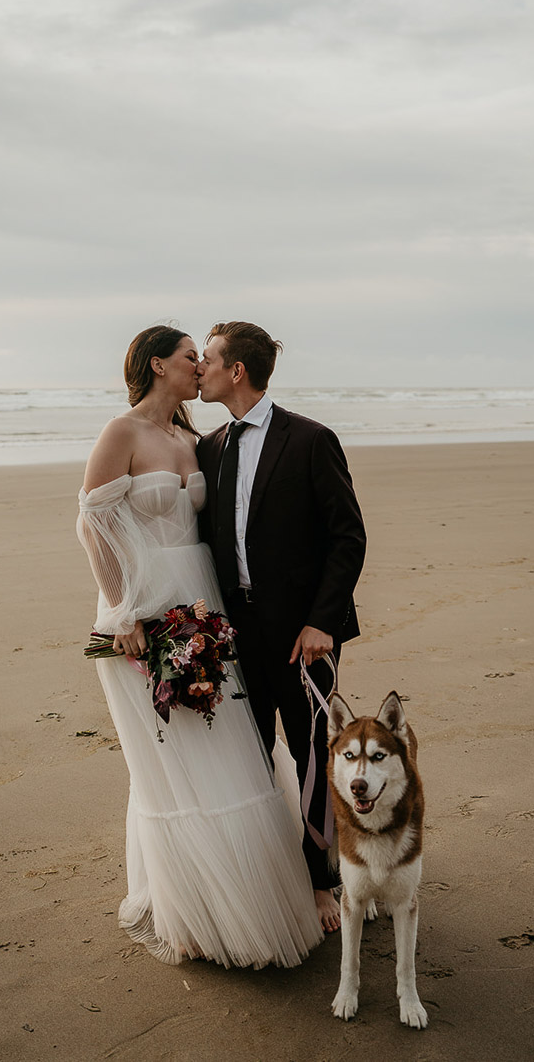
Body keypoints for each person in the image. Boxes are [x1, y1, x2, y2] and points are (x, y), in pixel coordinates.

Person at [76, 325, 322, 968]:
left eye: (205, 359)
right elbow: (92, 525)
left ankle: (251, 895)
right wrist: (125, 612)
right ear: (158, 364)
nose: (200, 367)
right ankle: (192, 912)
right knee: (171, 763)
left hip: (206, 608)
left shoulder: (198, 439)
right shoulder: (121, 432)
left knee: (227, 747)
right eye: (192, 358)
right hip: (142, 611)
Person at [196, 321, 367, 933]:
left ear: (235, 371)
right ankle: (273, 870)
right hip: (234, 635)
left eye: (208, 359)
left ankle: (325, 880)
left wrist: (323, 622)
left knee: (312, 755)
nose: (201, 370)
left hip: (302, 637)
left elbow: (348, 539)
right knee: (247, 754)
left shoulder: (311, 440)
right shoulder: (209, 448)